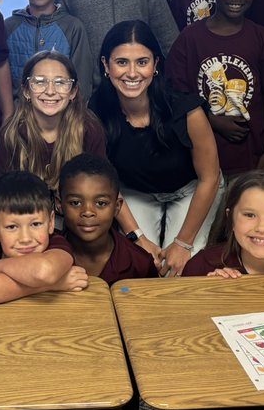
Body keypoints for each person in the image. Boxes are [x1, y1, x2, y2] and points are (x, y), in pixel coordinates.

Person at [90, 20, 222, 278]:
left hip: (191, 190)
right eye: (121, 62)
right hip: (134, 192)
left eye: (142, 62)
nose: (132, 73)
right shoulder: (96, 113)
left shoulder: (187, 110)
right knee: (141, 265)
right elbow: (104, 184)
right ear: (106, 65)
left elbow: (210, 177)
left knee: (182, 269)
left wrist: (183, 244)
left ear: (156, 65)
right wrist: (138, 238)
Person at [168, 0, 264, 178]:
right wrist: (212, 120)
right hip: (200, 162)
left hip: (252, 159)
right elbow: (176, 96)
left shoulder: (263, 38)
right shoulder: (190, 38)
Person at [0, 171, 88, 307]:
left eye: (35, 224)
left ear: (51, 222)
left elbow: (44, 272)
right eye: (12, 227)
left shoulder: (56, 241)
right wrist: (50, 285)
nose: (25, 238)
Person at [0, 50, 106, 191]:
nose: (50, 91)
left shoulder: (89, 129)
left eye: (60, 82)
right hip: (27, 210)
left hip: (78, 209)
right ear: (26, 91)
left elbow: (101, 187)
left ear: (73, 92)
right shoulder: (12, 134)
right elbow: (2, 193)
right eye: (40, 82)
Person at [5, 0, 93, 98]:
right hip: (19, 117)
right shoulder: (9, 26)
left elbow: (83, 82)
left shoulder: (72, 28)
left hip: (63, 116)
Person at [59, 153, 158, 282]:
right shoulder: (45, 253)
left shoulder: (140, 263)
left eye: (101, 203)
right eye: (75, 203)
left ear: (117, 207)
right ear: (59, 205)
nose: (88, 212)